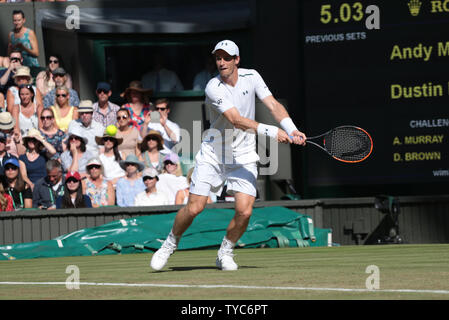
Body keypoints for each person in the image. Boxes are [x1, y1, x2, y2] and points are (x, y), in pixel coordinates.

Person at [150, 40, 306, 271]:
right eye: (218, 58)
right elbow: (236, 120)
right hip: (213, 154)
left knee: (244, 210)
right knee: (195, 207)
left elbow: (272, 104)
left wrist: (291, 128)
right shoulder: (213, 87)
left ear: (237, 60)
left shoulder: (252, 77)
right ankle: (170, 243)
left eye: (226, 57)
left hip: (243, 155)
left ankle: (225, 252)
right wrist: (272, 131)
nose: (221, 62)